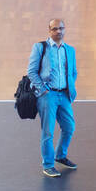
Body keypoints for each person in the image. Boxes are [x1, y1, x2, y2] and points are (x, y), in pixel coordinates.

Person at [27, 18, 78, 178]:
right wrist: (44, 90)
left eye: (61, 28)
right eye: (55, 29)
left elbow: (73, 72)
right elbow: (32, 71)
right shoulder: (40, 47)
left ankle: (60, 155)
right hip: (47, 96)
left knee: (69, 127)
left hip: (64, 95)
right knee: (48, 132)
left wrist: (70, 87)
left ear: (65, 29)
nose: (58, 31)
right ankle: (48, 165)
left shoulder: (69, 50)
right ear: (49, 31)